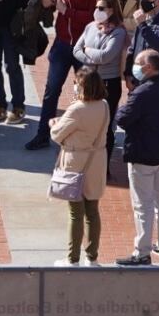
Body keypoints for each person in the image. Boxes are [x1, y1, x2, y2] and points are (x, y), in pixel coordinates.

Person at [26, 0, 106, 151]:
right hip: (62, 44)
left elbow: (94, 17)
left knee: (86, 92)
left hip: (84, 47)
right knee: (51, 90)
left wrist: (65, 11)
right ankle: (43, 134)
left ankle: (86, 135)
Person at [112, 49, 159, 267]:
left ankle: (141, 252)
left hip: (143, 155)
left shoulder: (141, 92)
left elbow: (122, 117)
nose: (134, 68)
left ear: (148, 68)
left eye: (138, 63)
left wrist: (130, 96)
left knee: (142, 205)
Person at [50, 67, 109, 267]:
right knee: (93, 210)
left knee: (75, 212)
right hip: (97, 161)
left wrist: (54, 123)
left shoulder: (77, 109)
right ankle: (92, 258)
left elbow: (57, 134)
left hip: (76, 161)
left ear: (83, 85)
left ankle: (72, 259)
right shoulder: (105, 105)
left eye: (77, 83)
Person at [75, 0, 129, 170]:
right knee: (85, 122)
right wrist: (91, 55)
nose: (97, 11)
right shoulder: (91, 26)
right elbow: (76, 49)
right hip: (87, 81)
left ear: (111, 10)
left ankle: (102, 167)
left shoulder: (118, 32)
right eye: (96, 7)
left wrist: (87, 50)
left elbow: (106, 56)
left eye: (101, 8)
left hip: (107, 84)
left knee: (105, 126)